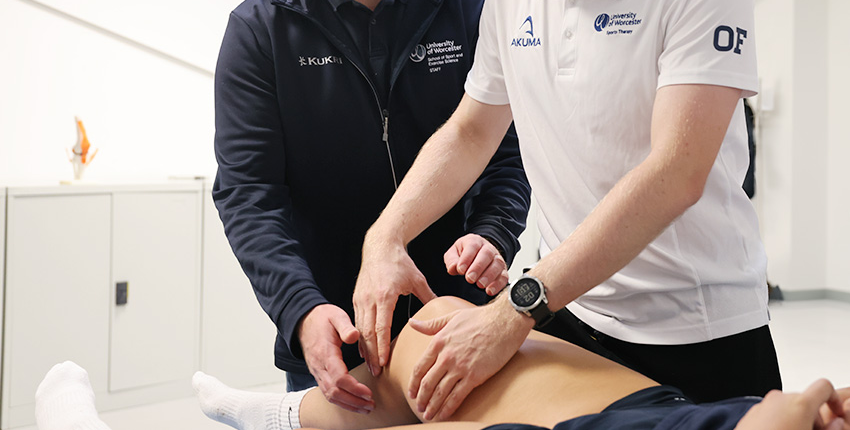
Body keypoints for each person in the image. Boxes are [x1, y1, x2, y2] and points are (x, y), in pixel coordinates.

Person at [352, 0, 781, 418]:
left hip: (695, 333)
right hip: (568, 313)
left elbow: (676, 172)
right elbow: (471, 132)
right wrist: (383, 238)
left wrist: (517, 306)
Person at [212, 0, 531, 414]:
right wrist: (300, 312)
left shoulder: (469, 9)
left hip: (455, 320)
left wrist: (492, 236)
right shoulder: (259, 33)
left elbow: (504, 152)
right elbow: (249, 195)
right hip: (336, 332)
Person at [34, 299, 850, 430]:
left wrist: (813, 398)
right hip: (637, 403)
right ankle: (276, 413)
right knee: (435, 336)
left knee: (435, 370)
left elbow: (782, 413)